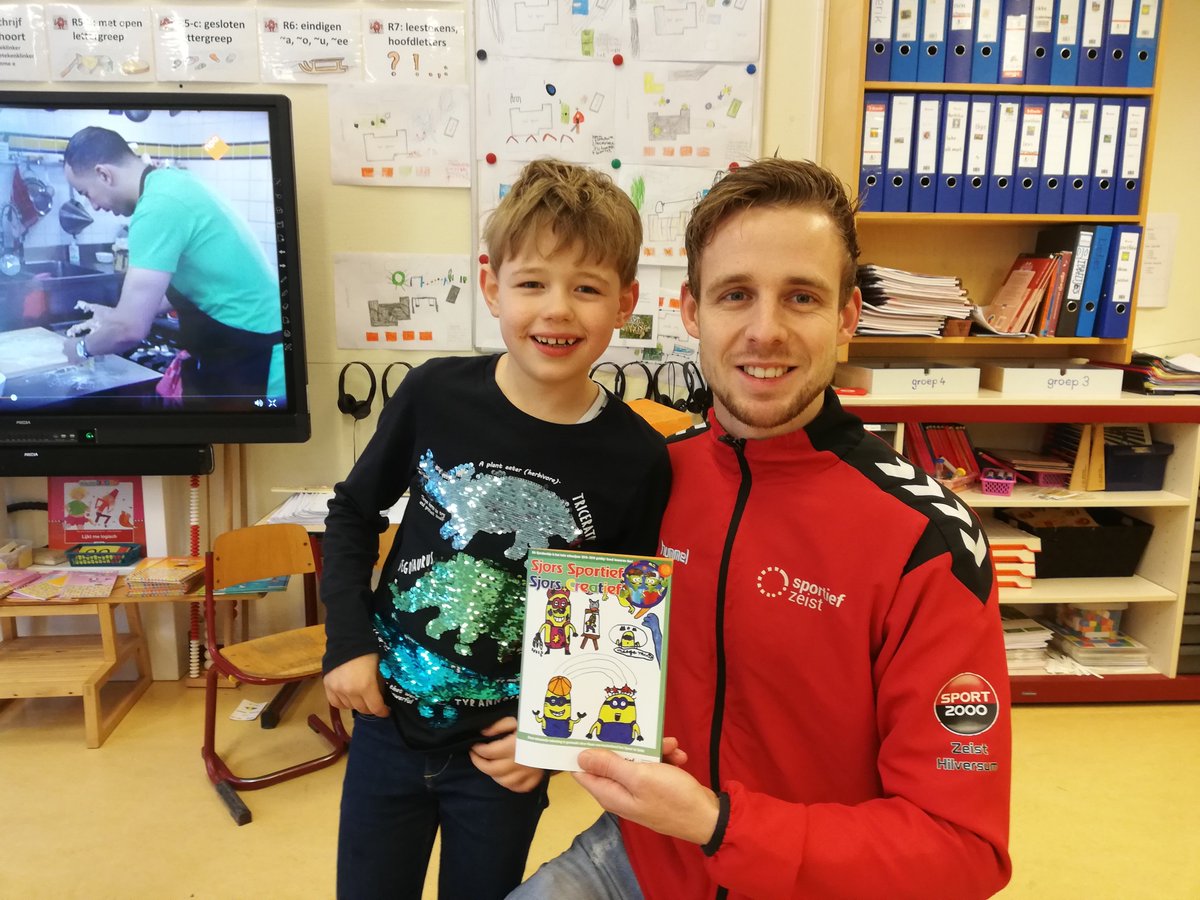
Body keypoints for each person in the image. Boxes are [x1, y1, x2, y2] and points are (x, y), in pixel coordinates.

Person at [510, 158, 1012, 899]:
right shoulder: (647, 477)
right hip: (640, 860)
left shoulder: (927, 540)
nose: (764, 331)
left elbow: (963, 851)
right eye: (735, 295)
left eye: (801, 297)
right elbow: (587, 664)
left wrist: (720, 825)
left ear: (846, 318)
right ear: (691, 311)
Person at [319, 157, 672, 900]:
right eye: (533, 282)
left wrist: (559, 743)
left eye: (588, 288)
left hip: (504, 753)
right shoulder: (434, 393)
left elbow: (618, 622)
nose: (558, 310)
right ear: (492, 286)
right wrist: (348, 644)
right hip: (390, 720)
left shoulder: (637, 457)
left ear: (626, 302)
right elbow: (352, 513)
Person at [60, 126, 284, 400]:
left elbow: (130, 330)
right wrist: (114, 315)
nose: (92, 206)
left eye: (85, 193)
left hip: (258, 357)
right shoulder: (170, 183)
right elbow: (186, 286)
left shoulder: (157, 207)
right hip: (242, 347)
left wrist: (81, 348)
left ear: (104, 174)